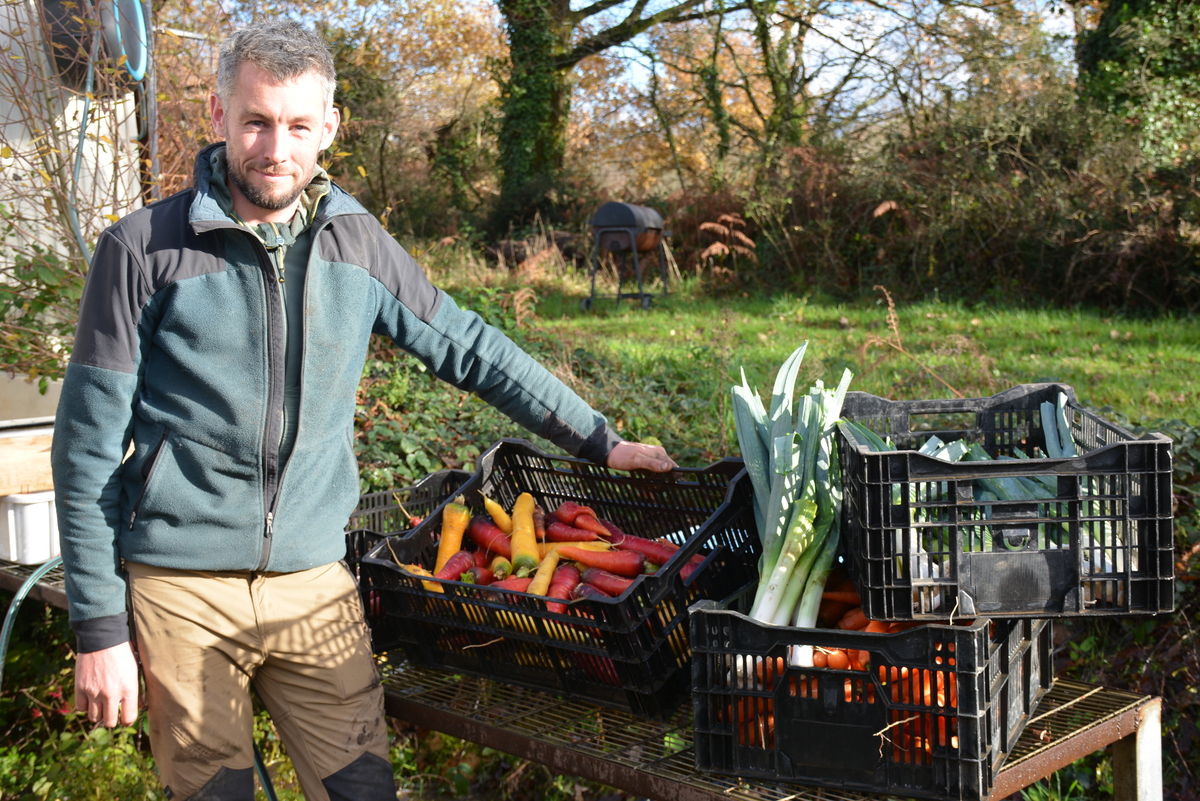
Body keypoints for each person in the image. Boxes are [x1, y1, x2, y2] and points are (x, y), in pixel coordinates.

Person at [51, 19, 676, 801]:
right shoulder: (142, 250)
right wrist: (100, 627)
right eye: (256, 121)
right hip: (182, 586)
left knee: (363, 790)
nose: (275, 147)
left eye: (298, 126)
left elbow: (469, 346)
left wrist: (599, 439)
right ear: (219, 116)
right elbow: (82, 453)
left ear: (330, 129)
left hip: (313, 579)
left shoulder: (356, 243)